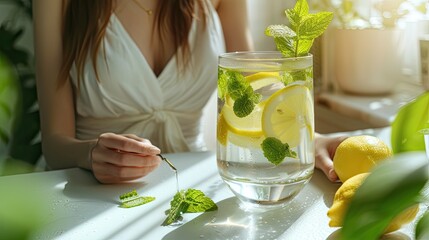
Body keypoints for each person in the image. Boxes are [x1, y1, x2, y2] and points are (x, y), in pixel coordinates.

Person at [33, 0, 346, 184]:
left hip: (193, 187)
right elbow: (55, 146)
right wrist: (90, 154)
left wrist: (311, 138)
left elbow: (255, 92)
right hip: (88, 194)